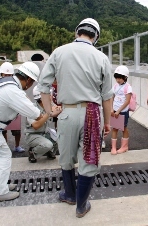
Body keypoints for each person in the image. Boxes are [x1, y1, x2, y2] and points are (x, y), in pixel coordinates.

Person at [37, 18, 113, 218]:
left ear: (76, 32)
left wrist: (49, 110)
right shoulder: (101, 57)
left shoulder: (59, 52)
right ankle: (81, 205)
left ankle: (69, 194)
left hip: (67, 112)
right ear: (95, 36)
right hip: (92, 113)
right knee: (89, 159)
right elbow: (107, 95)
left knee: (66, 157)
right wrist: (108, 122)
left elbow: (43, 85)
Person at [0, 62, 61, 203]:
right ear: (28, 80)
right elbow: (34, 113)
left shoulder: (5, 82)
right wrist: (50, 112)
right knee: (3, 156)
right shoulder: (12, 90)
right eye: (32, 82)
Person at [25, 85, 58, 163]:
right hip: (33, 135)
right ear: (42, 98)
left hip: (45, 133)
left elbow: (57, 110)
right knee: (48, 145)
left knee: (60, 139)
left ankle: (48, 151)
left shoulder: (49, 104)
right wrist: (48, 113)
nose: (51, 97)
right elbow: (36, 125)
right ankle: (33, 152)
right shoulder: (32, 109)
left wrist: (59, 110)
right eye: (49, 95)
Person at [0, 62, 24, 153]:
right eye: (5, 75)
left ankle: (17, 146)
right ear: (1, 74)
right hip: (2, 111)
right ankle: (4, 147)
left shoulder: (15, 84)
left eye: (9, 75)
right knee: (3, 131)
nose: (7, 76)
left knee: (17, 130)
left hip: (14, 110)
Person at [110, 65, 132, 155]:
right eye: (116, 78)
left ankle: (124, 146)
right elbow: (112, 97)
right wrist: (111, 109)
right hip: (115, 110)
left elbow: (127, 101)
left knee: (124, 128)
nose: (118, 80)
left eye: (120, 78)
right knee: (114, 128)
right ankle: (113, 147)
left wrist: (119, 110)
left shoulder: (128, 87)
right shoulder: (115, 86)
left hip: (122, 111)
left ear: (125, 77)